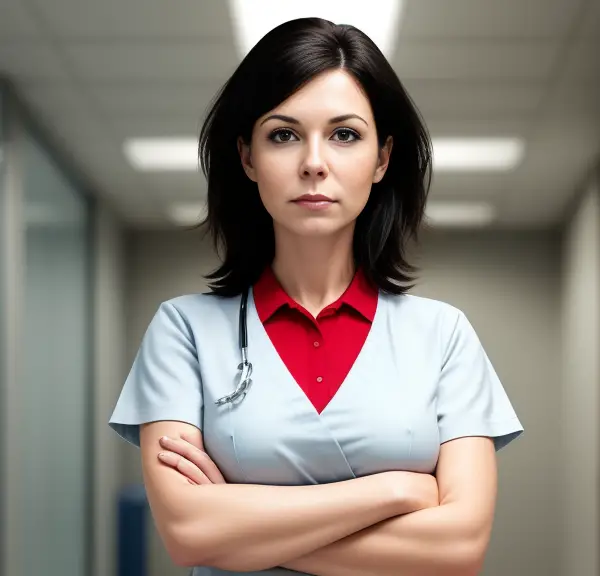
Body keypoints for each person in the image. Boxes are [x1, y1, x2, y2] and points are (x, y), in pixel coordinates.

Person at [109, 17, 523, 576]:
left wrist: (240, 527)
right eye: (283, 134)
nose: (313, 162)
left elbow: (459, 548)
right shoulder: (183, 331)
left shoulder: (443, 336)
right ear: (248, 157)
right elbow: (188, 533)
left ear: (382, 158)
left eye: (344, 134)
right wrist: (398, 492)